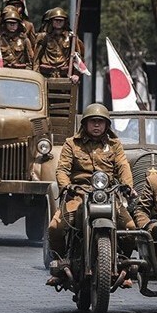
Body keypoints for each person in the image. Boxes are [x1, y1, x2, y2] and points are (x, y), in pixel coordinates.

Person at [47, 103, 135, 286]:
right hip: (79, 194)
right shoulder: (72, 143)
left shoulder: (115, 145)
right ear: (85, 124)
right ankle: (61, 265)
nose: (97, 125)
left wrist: (127, 185)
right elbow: (62, 169)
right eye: (93, 121)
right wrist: (66, 186)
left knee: (130, 228)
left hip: (108, 195)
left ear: (107, 125)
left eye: (101, 122)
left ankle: (123, 266)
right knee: (55, 228)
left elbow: (123, 167)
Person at [34, 7, 84, 82]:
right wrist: (36, 74)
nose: (58, 22)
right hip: (45, 75)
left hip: (65, 76)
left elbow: (79, 57)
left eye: (61, 20)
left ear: (65, 22)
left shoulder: (72, 37)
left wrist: (76, 74)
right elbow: (36, 58)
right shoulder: (43, 37)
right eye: (56, 20)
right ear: (51, 21)